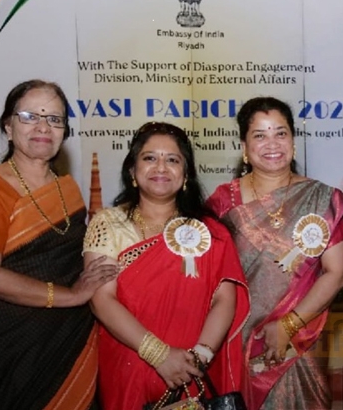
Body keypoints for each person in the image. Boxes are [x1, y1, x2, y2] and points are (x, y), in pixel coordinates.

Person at [0, 79, 118, 409]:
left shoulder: (68, 189)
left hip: (70, 339)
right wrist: (69, 295)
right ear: (8, 126)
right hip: (10, 346)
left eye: (54, 119)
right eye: (30, 116)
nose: (43, 127)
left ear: (64, 131)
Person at [207, 96, 343, 410]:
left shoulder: (323, 199)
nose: (272, 144)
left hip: (301, 335)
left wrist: (288, 325)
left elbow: (337, 273)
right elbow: (208, 275)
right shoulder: (223, 202)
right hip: (237, 336)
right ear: (244, 147)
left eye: (281, 133)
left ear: (293, 140)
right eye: (259, 135)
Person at [84, 121, 250, 409]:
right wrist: (159, 355)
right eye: (149, 158)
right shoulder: (108, 224)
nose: (161, 167)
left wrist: (198, 358)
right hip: (128, 363)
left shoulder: (209, 231)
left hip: (192, 369)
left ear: (185, 174)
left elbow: (224, 299)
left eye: (172, 160)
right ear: (132, 171)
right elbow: (101, 299)